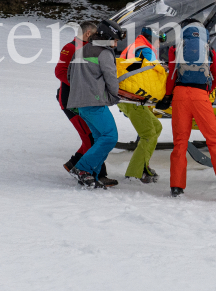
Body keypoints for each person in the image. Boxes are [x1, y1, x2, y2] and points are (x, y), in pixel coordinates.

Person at [160, 20, 216, 198]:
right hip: (200, 96)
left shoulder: (176, 48)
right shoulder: (208, 50)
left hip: (180, 95)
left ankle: (177, 186)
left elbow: (172, 74)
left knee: (180, 142)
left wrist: (168, 95)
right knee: (213, 140)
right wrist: (206, 91)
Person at [55, 21, 115, 186]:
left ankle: (83, 168)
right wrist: (81, 86)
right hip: (70, 100)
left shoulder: (89, 50)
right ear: (88, 34)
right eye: (95, 35)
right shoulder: (71, 48)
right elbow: (59, 72)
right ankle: (84, 170)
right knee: (90, 136)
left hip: (83, 97)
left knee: (94, 135)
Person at [67, 24, 122, 188]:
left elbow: (70, 75)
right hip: (94, 101)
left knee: (99, 138)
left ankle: (93, 174)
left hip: (80, 103)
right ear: (108, 37)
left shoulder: (80, 50)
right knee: (110, 137)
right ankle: (82, 169)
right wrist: (112, 97)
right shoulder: (104, 53)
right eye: (116, 40)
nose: (116, 44)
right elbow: (111, 78)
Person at [119, 26, 163, 183]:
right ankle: (135, 173)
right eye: (158, 40)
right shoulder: (145, 49)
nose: (159, 44)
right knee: (149, 133)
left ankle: (142, 166)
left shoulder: (136, 45)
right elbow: (155, 70)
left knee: (156, 127)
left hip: (130, 96)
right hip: (134, 98)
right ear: (152, 38)